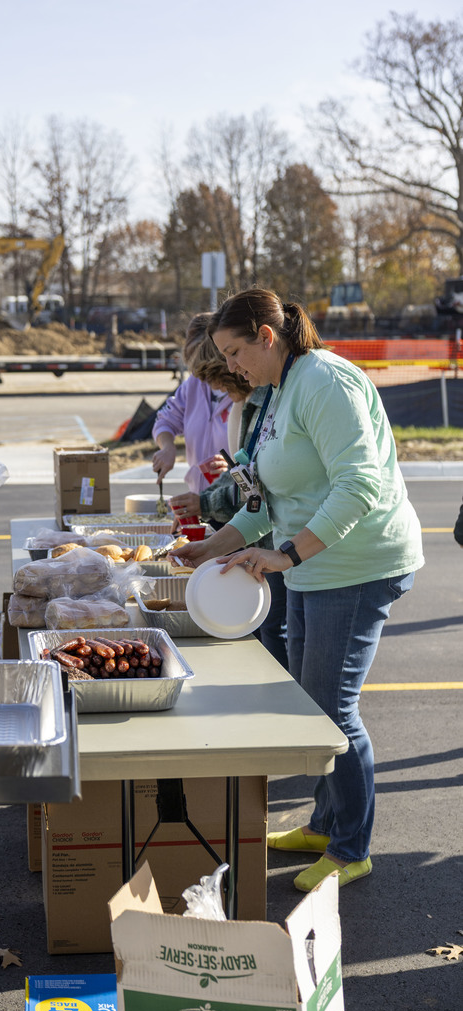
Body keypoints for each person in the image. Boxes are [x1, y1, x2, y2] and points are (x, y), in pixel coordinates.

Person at [173, 288, 423, 891]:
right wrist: (212, 545)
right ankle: (324, 821)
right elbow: (269, 498)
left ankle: (350, 849)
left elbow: (359, 486)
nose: (230, 367)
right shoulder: (282, 389)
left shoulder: (325, 381)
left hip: (357, 565)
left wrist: (286, 554)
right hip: (313, 564)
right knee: (312, 706)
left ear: (266, 334)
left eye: (235, 352)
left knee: (333, 711)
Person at [171, 357, 289, 670]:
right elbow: (253, 489)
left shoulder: (268, 402)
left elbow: (258, 490)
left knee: (275, 632)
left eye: (224, 385)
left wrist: (204, 503)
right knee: (271, 631)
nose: (225, 392)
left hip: (287, 550)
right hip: (272, 544)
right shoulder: (251, 406)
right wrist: (209, 544)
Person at [152, 313, 233, 492]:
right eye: (195, 367)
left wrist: (232, 470)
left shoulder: (244, 394)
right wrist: (167, 447)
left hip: (235, 506)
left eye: (203, 366)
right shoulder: (194, 384)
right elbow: (166, 420)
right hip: (199, 498)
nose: (200, 376)